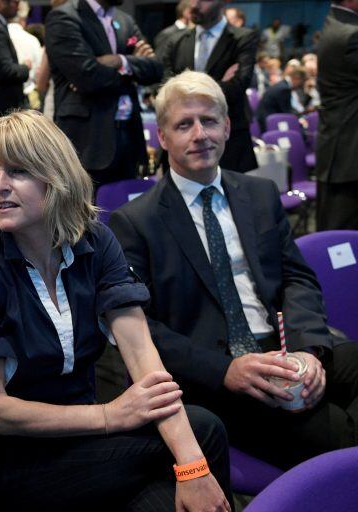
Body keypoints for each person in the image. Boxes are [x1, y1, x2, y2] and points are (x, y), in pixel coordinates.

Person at [0, 110, 231, 511]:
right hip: (15, 456)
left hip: (88, 435)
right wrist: (111, 416)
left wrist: (192, 468)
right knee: (203, 435)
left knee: (182, 469)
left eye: (18, 172)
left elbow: (144, 359)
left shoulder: (95, 241)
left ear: (56, 176)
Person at [108, 70, 358, 469]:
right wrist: (225, 371)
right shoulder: (135, 222)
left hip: (283, 347)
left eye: (208, 121)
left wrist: (308, 350)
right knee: (340, 436)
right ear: (163, 137)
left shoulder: (258, 193)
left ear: (226, 127)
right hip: (216, 374)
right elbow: (143, 329)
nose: (199, 135)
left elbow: (297, 278)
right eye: (184, 125)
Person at [46, 0, 162, 186]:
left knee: (124, 208)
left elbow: (155, 69)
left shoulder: (125, 20)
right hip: (88, 139)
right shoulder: (64, 17)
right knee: (85, 210)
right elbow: (87, 77)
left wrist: (119, 61)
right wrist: (133, 66)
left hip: (129, 136)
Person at [158, 0, 259, 174]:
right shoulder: (175, 41)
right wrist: (220, 84)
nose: (194, 5)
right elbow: (165, 91)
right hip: (182, 148)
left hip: (230, 146)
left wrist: (183, 94)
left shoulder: (242, 38)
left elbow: (237, 87)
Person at [315, 0, 358, 230]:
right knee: (341, 240)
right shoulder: (350, 35)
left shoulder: (337, 25)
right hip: (347, 154)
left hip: (343, 149)